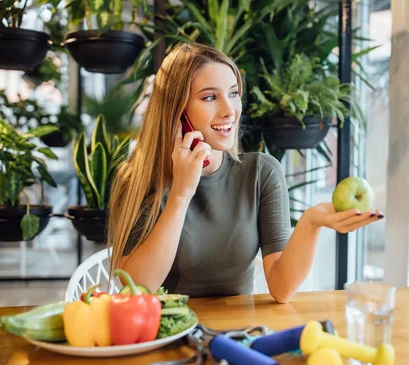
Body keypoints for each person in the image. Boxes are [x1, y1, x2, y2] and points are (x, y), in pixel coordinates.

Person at [108, 43, 383, 303]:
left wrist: (311, 223)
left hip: (238, 333)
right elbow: (139, 288)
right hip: (166, 334)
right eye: (210, 97)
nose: (230, 111)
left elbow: (282, 288)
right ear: (176, 112)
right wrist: (181, 195)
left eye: (233, 93)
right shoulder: (137, 179)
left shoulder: (261, 172)